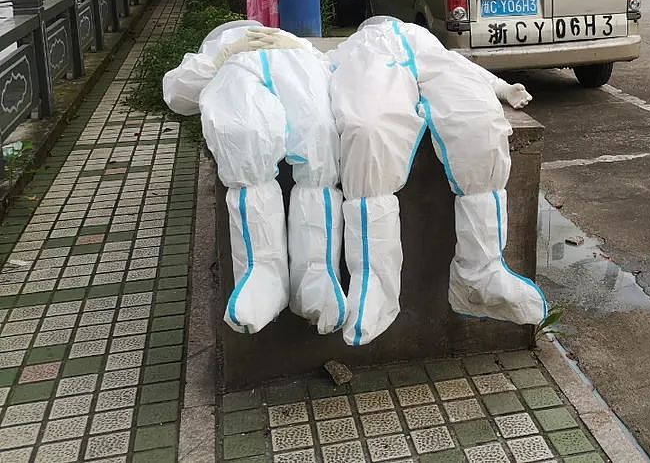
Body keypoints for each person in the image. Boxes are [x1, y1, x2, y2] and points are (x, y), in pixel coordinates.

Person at [331, 17, 546, 346]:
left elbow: (461, 68)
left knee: (480, 119)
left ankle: (481, 271)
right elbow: (332, 76)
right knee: (369, 127)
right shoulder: (356, 45)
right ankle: (374, 282)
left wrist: (501, 88)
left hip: (424, 54)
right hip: (373, 60)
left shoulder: (421, 37)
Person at [163, 22, 345, 335]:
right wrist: (220, 58)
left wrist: (300, 49)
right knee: (244, 132)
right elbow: (178, 93)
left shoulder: (285, 40)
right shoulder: (219, 48)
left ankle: (319, 278)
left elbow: (330, 66)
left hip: (296, 70)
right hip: (240, 75)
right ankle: (261, 276)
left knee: (318, 134)